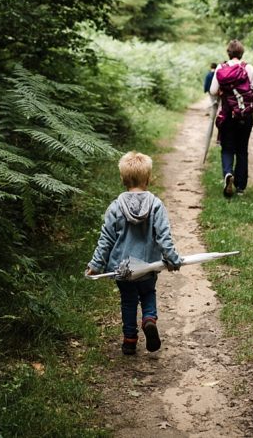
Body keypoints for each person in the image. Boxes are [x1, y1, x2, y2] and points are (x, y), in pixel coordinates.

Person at [85, 151, 183, 355]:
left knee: (128, 302)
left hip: (123, 270)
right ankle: (149, 319)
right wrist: (172, 259)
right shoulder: (156, 205)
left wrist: (96, 265)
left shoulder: (115, 208)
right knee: (148, 294)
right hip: (148, 267)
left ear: (123, 179)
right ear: (148, 179)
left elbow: (106, 239)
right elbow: (163, 237)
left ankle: (129, 340)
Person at [210, 39, 253, 198]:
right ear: (242, 53)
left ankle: (228, 174)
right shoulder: (249, 68)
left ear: (228, 52)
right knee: (242, 149)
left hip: (226, 114)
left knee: (227, 148)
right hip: (245, 115)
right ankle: (240, 186)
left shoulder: (221, 67)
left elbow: (213, 91)